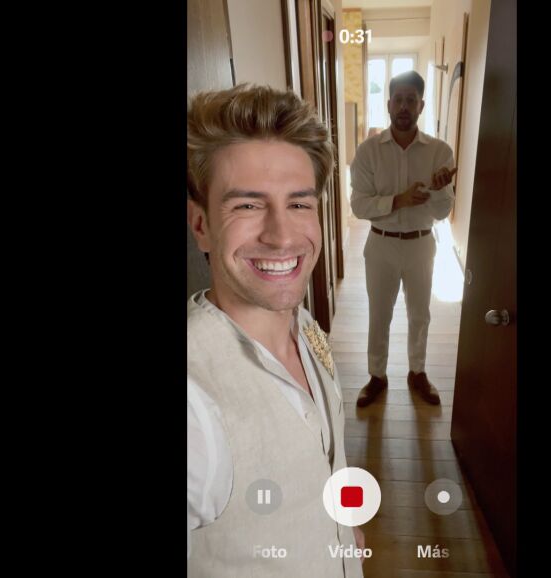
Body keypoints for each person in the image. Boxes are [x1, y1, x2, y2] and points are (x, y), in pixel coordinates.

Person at [186, 84, 364, 577]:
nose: (283, 236)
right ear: (201, 225)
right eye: (247, 206)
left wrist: (342, 529)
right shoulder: (194, 402)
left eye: (300, 205)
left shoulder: (307, 329)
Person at [350, 71, 457, 408]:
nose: (404, 107)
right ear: (388, 104)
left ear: (421, 105)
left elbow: (443, 211)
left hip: (422, 244)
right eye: (399, 99)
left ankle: (418, 372)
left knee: (420, 314)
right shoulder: (368, 151)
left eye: (411, 100)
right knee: (379, 314)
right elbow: (358, 205)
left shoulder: (440, 152)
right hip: (380, 245)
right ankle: (377, 376)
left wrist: (438, 190)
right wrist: (399, 200)